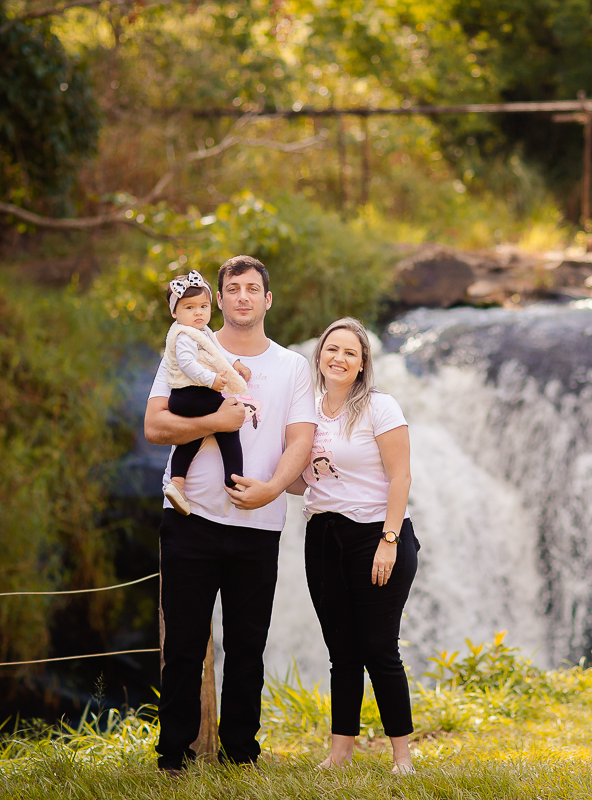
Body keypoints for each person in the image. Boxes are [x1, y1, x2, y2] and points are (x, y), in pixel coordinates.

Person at [144, 255, 317, 772]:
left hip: (258, 527)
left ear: (267, 299)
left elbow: (301, 439)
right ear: (220, 299)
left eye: (253, 289)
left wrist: (272, 490)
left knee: (247, 647)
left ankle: (241, 755)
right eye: (233, 288)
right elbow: (155, 425)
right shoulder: (187, 344)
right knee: (183, 645)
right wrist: (215, 420)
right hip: (190, 520)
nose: (243, 297)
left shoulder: (292, 366)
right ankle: (172, 756)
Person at [289, 317, 419, 774]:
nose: (339, 358)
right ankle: (340, 752)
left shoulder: (379, 407)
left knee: (379, 648)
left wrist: (390, 539)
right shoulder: (305, 410)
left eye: (350, 352)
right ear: (319, 356)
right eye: (332, 349)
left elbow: (400, 476)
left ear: (363, 363)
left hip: (376, 536)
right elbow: (297, 477)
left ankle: (402, 754)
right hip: (323, 536)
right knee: (341, 651)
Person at [160, 269, 250, 516]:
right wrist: (211, 380)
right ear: (175, 313)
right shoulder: (183, 335)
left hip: (190, 397)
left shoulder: (201, 333)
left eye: (203, 306)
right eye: (189, 308)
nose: (198, 312)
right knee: (229, 425)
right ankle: (235, 480)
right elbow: (188, 364)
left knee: (193, 435)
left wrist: (235, 365)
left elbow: (218, 355)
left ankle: (177, 483)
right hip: (190, 394)